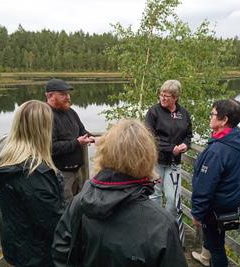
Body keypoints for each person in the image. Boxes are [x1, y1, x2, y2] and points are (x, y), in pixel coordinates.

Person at [52, 119, 188, 267]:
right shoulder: (162, 224)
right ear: (148, 157)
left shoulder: (80, 201)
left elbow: (61, 249)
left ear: (105, 153)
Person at [0, 100, 64, 267]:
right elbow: (54, 223)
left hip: (16, 245)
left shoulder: (5, 158)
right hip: (38, 254)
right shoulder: (34, 173)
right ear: (43, 129)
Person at [191, 99, 240, 267]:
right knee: (216, 238)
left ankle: (210, 259)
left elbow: (205, 186)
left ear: (224, 120)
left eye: (213, 114)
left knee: (217, 248)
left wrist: (197, 213)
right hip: (229, 203)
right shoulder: (235, 140)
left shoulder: (218, 150)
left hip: (215, 208)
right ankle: (204, 257)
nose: (210, 117)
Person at [145, 79, 192, 244]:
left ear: (175, 98)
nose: (163, 98)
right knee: (154, 197)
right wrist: (171, 147)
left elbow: (188, 135)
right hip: (156, 163)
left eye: (167, 96)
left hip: (174, 164)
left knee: (173, 200)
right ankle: (155, 232)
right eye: (161, 95)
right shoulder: (153, 112)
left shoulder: (184, 113)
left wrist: (186, 145)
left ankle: (171, 234)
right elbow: (149, 137)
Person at [45, 78, 94, 203]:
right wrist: (77, 143)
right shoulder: (45, 115)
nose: (68, 97)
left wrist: (94, 138)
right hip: (60, 173)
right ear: (50, 95)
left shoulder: (70, 111)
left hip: (77, 170)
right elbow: (51, 147)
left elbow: (82, 131)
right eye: (63, 94)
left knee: (78, 203)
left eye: (68, 93)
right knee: (65, 207)